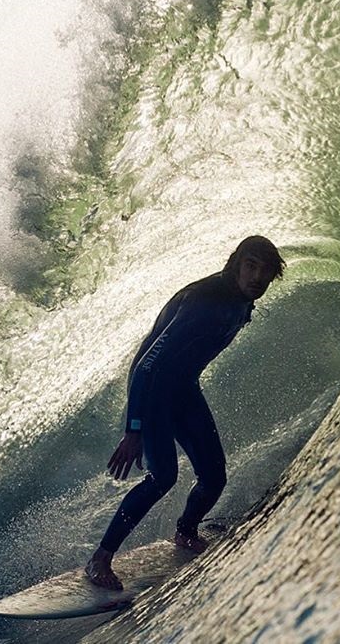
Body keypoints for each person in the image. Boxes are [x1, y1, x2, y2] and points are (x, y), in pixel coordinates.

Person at [85, 235, 286, 590]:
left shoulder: (241, 300)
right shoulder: (204, 301)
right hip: (154, 392)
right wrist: (134, 430)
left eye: (265, 271)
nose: (257, 277)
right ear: (236, 264)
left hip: (184, 389)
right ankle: (99, 559)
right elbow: (147, 366)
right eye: (250, 266)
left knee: (214, 476)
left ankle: (185, 532)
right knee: (163, 477)